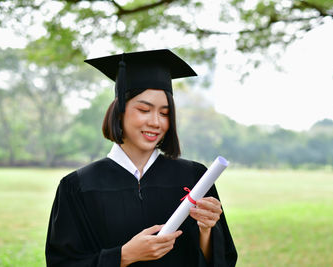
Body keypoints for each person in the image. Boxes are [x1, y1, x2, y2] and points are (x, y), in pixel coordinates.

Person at [45, 49, 237, 267]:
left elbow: (222, 260)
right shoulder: (78, 186)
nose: (156, 122)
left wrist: (206, 230)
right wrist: (123, 256)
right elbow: (62, 263)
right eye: (144, 110)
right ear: (119, 111)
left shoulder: (194, 177)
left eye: (164, 113)